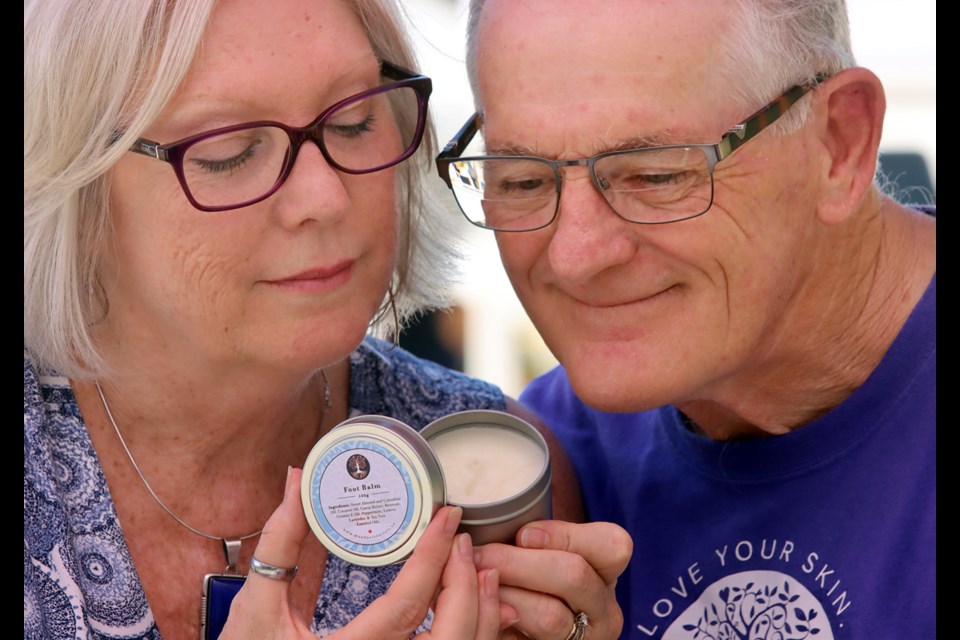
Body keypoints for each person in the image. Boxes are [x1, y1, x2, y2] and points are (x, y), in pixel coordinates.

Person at [24, 0, 631, 638]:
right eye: (230, 152)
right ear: (71, 184)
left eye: (353, 121)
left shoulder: (492, 467)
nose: (325, 196)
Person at [437, 0, 936, 637]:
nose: (575, 256)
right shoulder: (536, 472)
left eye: (655, 175)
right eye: (523, 181)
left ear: (840, 143)